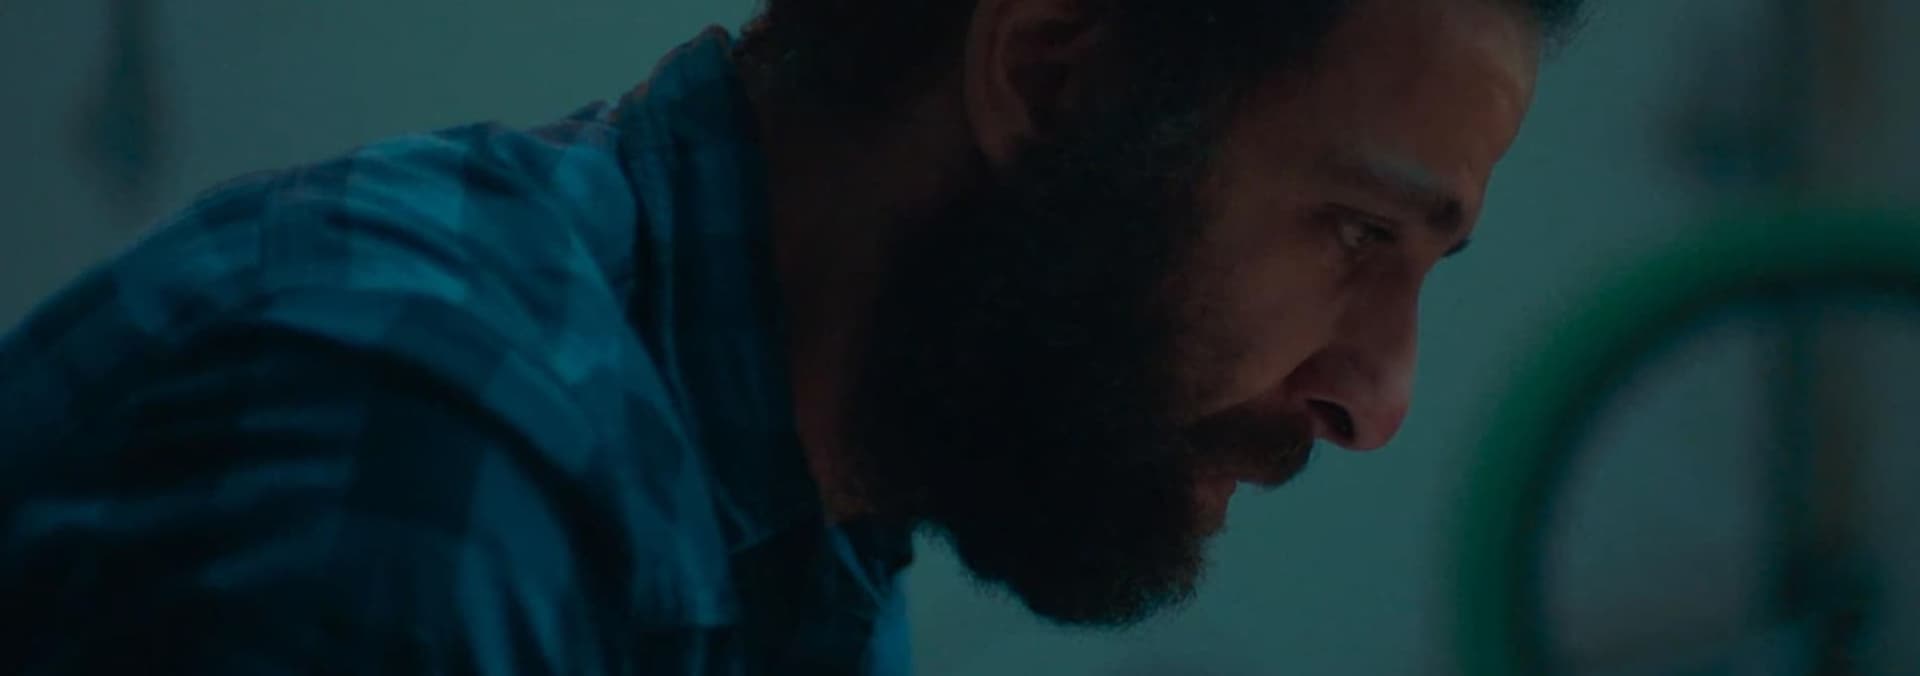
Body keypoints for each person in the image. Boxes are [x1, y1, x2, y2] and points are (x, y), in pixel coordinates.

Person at [0, 0, 1582, 672]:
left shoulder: (805, 516)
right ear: (1049, 80)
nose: (1378, 399)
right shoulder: (430, 444)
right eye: (1356, 235)